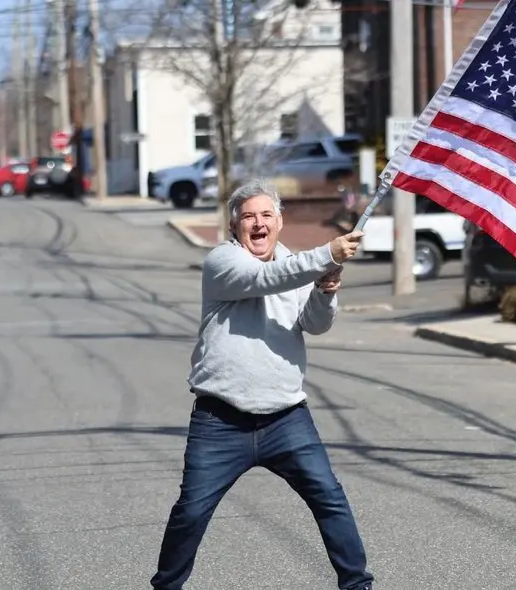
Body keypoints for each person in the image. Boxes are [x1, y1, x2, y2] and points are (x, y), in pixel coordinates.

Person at [150, 179, 374, 590]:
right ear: (234, 226)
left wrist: (325, 290)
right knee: (192, 511)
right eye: (248, 216)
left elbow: (314, 324)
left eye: (266, 215)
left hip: (286, 418)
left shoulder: (296, 265)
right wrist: (326, 253)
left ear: (279, 222)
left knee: (330, 499)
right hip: (220, 420)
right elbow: (263, 280)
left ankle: (358, 585)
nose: (258, 224)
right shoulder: (223, 262)